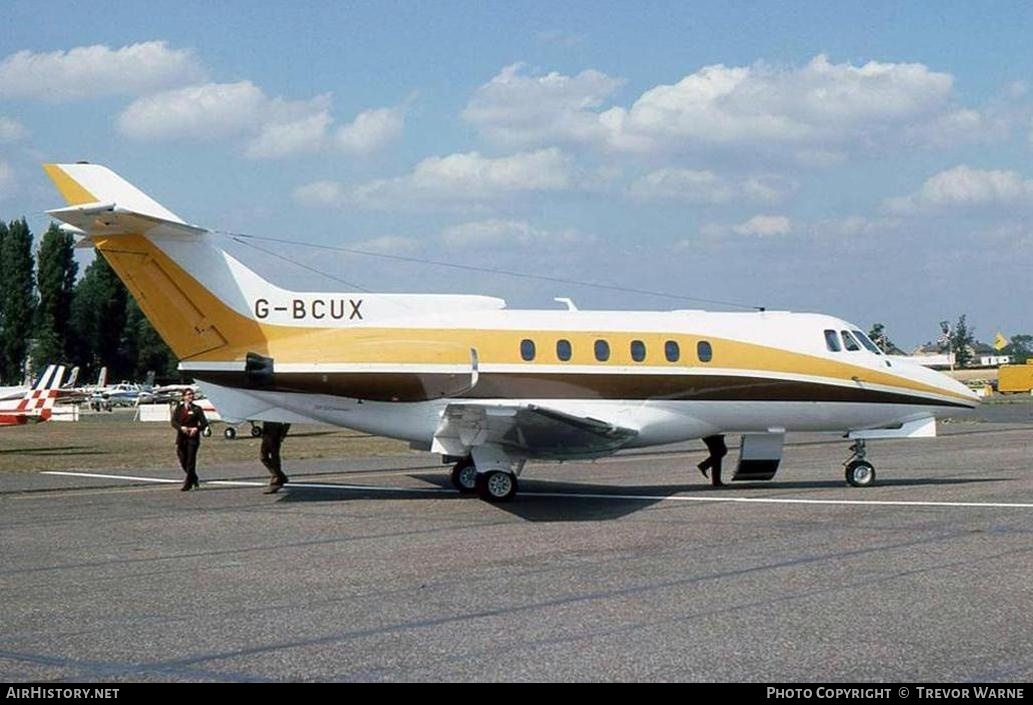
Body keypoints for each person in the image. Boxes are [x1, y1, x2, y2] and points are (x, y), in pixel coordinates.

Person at [171, 389, 208, 491]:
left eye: (192, 394)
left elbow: (204, 423)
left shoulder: (197, 409)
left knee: (191, 461)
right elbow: (173, 422)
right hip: (182, 437)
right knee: (183, 458)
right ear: (183, 397)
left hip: (193, 438)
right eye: (188, 394)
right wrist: (181, 428)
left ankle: (188, 484)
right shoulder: (179, 409)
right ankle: (194, 477)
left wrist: (197, 429)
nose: (190, 396)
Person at [260, 421, 291, 494]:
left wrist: (282, 434)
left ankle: (276, 481)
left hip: (276, 434)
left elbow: (288, 420)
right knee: (263, 457)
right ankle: (280, 476)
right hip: (267, 433)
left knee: (274, 457)